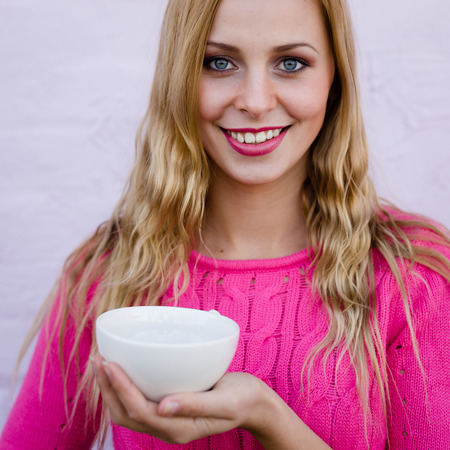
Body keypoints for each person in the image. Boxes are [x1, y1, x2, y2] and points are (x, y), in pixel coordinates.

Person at [1, 0, 449, 448]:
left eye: (291, 63)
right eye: (218, 63)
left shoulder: (413, 276)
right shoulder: (105, 272)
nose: (255, 102)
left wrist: (267, 418)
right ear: (180, 77)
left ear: (335, 79)